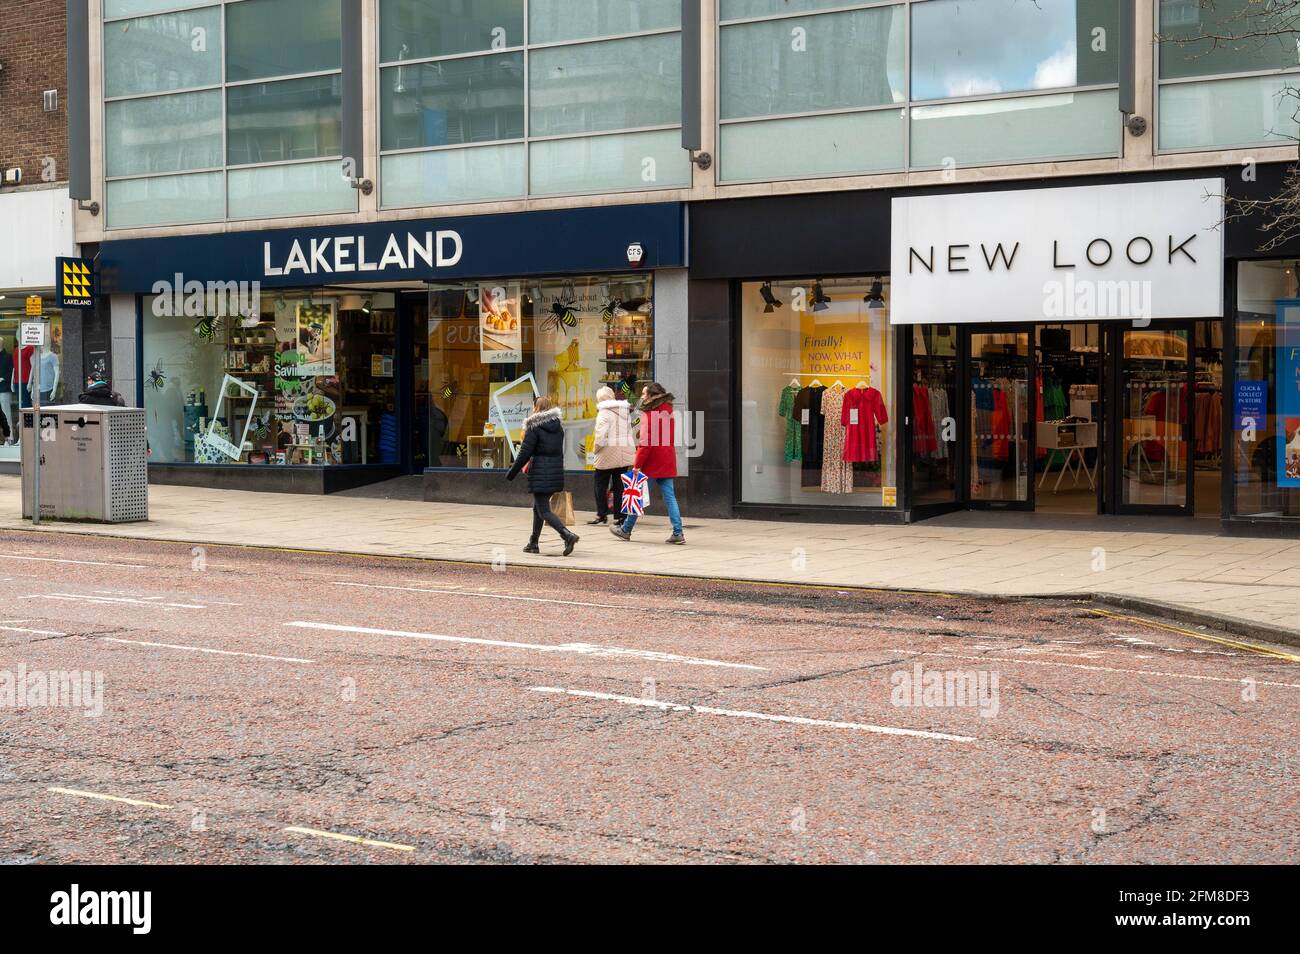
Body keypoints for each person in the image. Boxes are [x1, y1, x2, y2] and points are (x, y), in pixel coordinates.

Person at [610, 382, 685, 545]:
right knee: (670, 497)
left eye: (644, 394)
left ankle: (626, 530)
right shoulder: (667, 411)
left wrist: (637, 465)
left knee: (637, 496)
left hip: (651, 463)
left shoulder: (649, 414)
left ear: (651, 396)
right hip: (666, 459)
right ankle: (678, 532)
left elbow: (646, 443)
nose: (642, 397)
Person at [506, 396, 579, 556]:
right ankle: (533, 542)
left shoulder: (534, 427)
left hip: (541, 473)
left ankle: (567, 535)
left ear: (536, 407)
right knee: (537, 508)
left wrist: (512, 472)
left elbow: (525, 452)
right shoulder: (557, 426)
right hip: (554, 473)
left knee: (544, 511)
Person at [588, 385, 633, 525]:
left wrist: (594, 449)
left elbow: (600, 436)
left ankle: (602, 514)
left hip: (606, 454)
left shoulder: (604, 413)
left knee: (600, 485)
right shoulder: (624, 411)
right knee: (620, 486)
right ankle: (620, 517)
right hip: (622, 454)